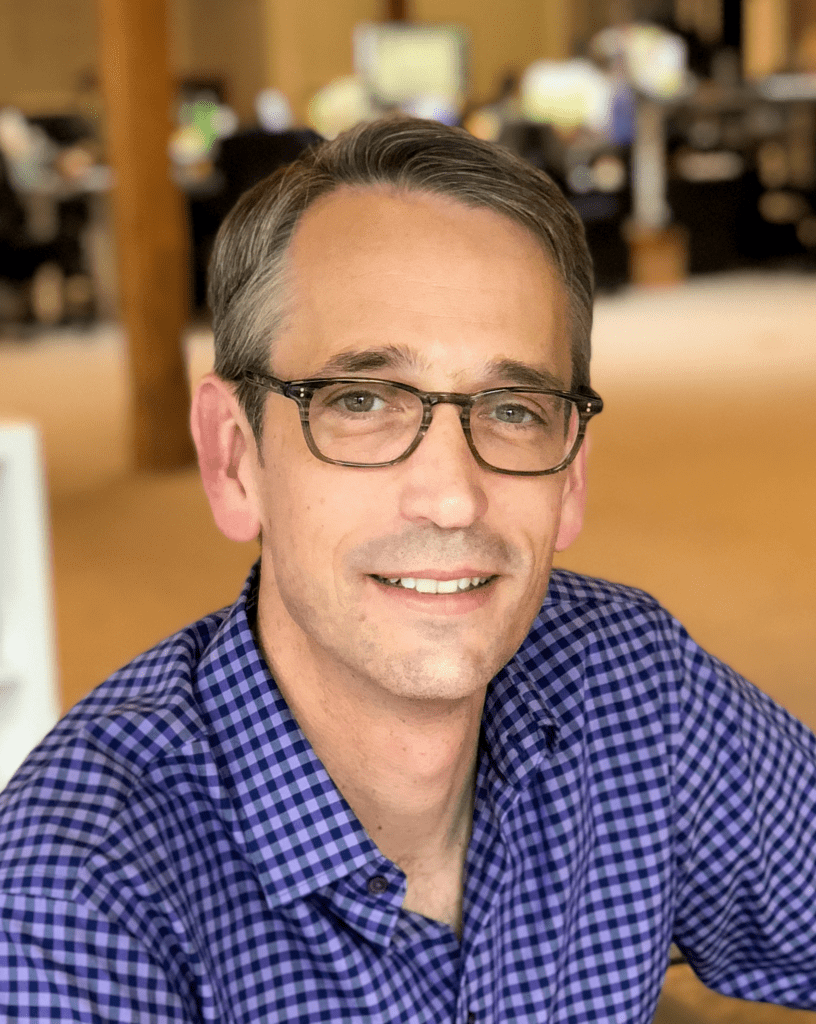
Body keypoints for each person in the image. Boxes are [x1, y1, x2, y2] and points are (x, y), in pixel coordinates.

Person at [1, 117, 815, 1023]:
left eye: (512, 408)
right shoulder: (70, 894)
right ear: (234, 459)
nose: (452, 498)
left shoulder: (628, 682)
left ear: (572, 474)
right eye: (362, 400)